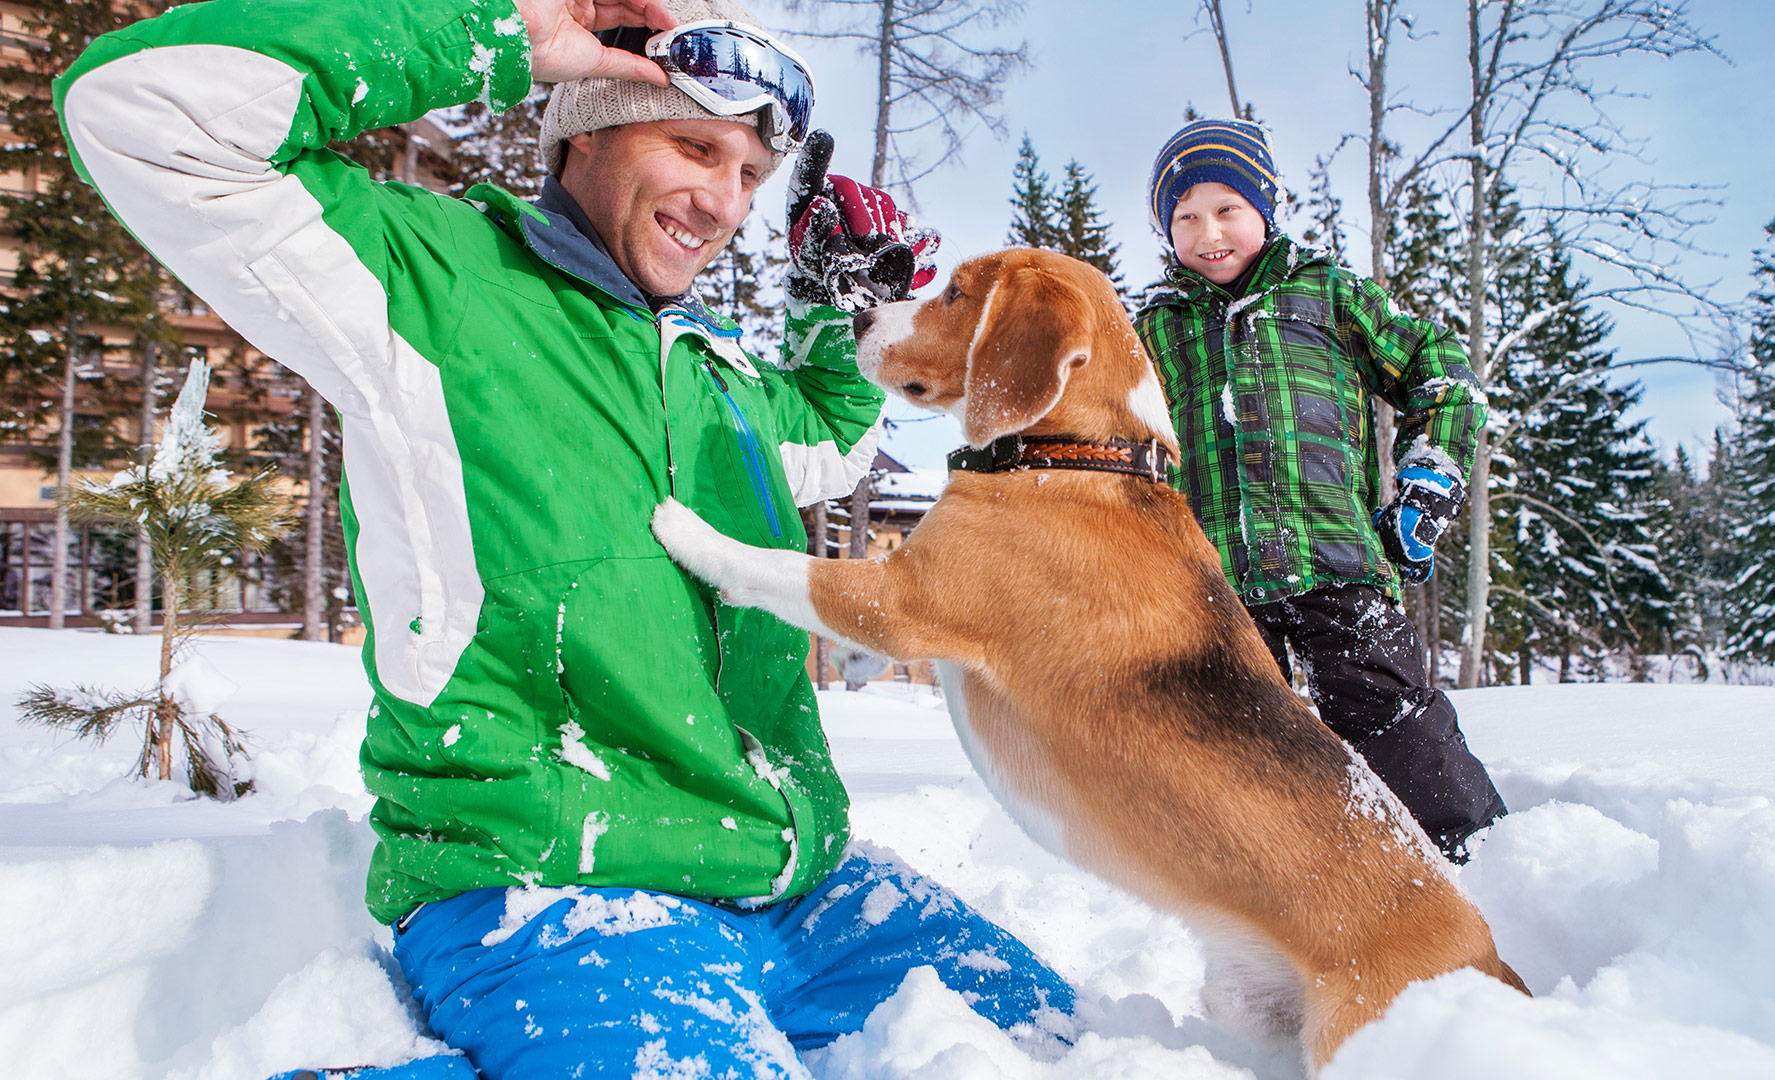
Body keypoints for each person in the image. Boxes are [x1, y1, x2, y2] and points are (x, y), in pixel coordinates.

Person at [57, 0, 1071, 1076]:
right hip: (552, 886)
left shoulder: (718, 369)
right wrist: (491, 32)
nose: (724, 202)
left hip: (795, 892)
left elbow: (824, 440)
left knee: (1059, 1040)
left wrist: (839, 309)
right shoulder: (431, 280)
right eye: (694, 147)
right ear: (584, 126)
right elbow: (145, 109)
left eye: (746, 175)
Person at [1132, 118, 1508, 862]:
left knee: (1395, 721)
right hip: (1218, 586)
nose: (1209, 231)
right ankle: (1297, 892)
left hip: (1336, 557)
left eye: (1227, 208)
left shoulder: (1330, 294)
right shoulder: (1156, 330)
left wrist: (1428, 482)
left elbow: (1442, 378)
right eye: (1186, 216)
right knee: (1238, 748)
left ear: (1264, 209)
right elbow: (1129, 444)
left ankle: (1481, 870)